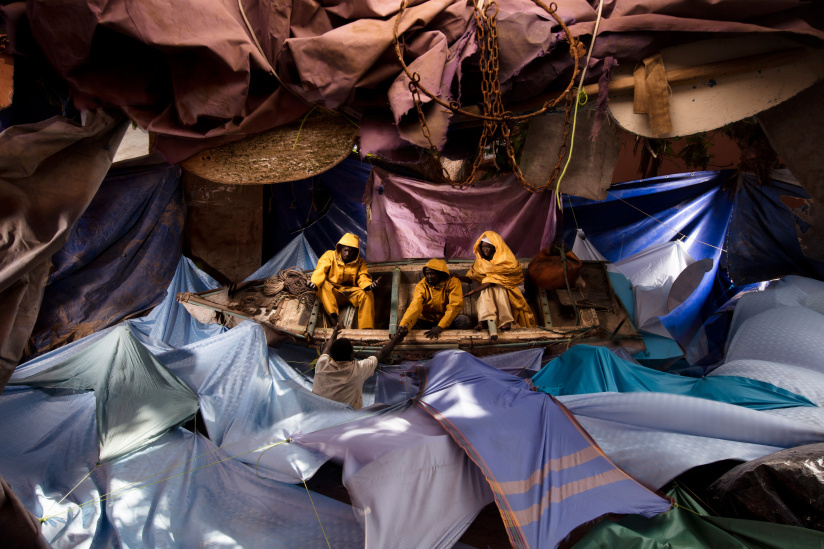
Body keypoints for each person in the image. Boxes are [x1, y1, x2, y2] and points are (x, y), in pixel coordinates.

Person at [312, 323, 407, 409]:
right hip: (344, 420)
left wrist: (334, 333)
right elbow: (382, 353)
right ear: (351, 355)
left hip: (319, 413)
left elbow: (326, 348)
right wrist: (398, 337)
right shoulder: (358, 370)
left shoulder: (321, 364)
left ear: (332, 355)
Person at [459, 231, 536, 333]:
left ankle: (490, 321)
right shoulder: (480, 262)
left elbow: (494, 281)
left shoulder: (507, 260)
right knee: (488, 290)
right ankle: (494, 321)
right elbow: (472, 277)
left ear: (495, 246)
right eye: (483, 247)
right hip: (490, 288)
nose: (485, 249)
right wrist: (457, 277)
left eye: (488, 247)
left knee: (497, 287)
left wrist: (475, 291)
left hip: (511, 287)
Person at [307, 233, 379, 329]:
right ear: (340, 248)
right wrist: (314, 283)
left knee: (367, 294)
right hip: (333, 293)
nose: (347, 254)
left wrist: (368, 286)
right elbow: (320, 270)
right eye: (345, 250)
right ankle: (336, 319)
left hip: (350, 292)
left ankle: (366, 328)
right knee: (323, 284)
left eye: (350, 251)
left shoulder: (360, 262)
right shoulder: (329, 255)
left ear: (355, 252)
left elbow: (363, 276)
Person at [397, 258, 472, 339]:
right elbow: (415, 306)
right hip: (426, 320)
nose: (429, 277)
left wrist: (440, 326)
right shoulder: (421, 285)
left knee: (464, 321)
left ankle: (451, 336)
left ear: (440, 274)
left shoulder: (453, 282)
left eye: (432, 274)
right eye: (427, 274)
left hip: (445, 320)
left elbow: (454, 306)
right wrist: (403, 325)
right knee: (405, 324)